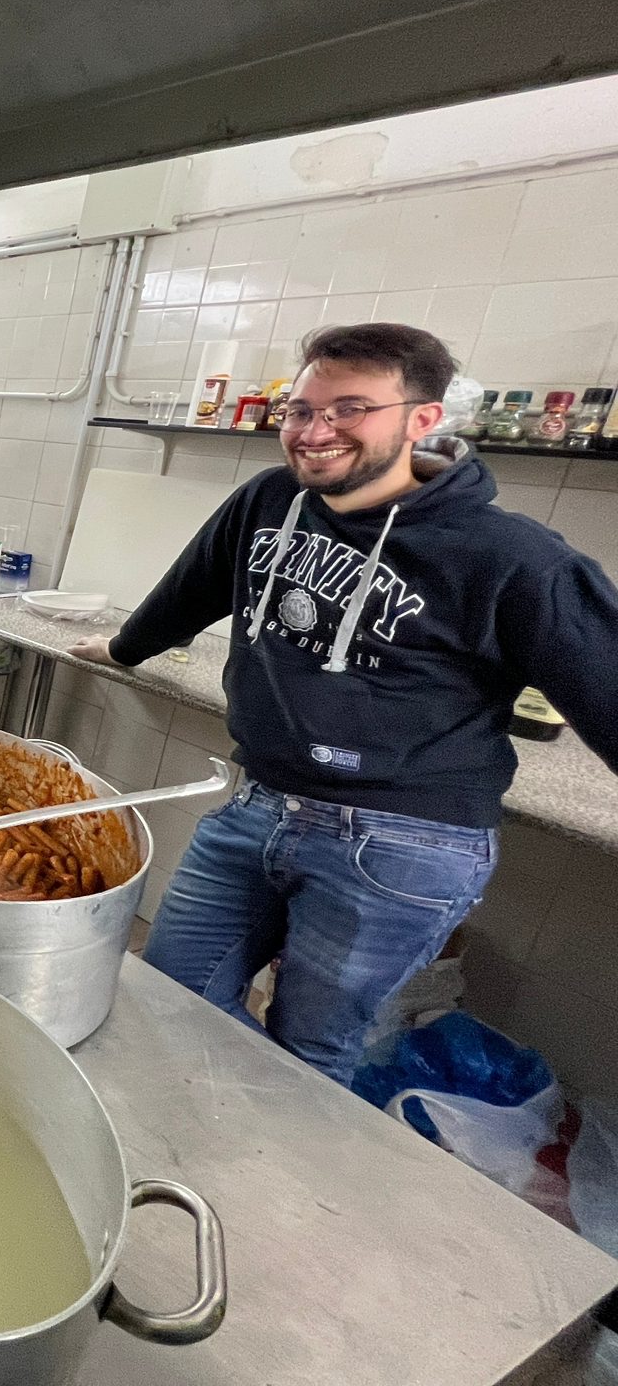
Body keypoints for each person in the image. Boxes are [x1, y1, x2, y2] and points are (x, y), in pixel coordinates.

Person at [67, 322, 618, 1085]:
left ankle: (264, 1185)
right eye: (301, 410)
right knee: (166, 994)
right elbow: (192, 586)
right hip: (260, 805)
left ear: (422, 419)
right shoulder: (270, 499)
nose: (314, 432)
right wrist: (125, 649)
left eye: (349, 409)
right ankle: (203, 1137)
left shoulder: (514, 556)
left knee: (309, 1050)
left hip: (402, 843)